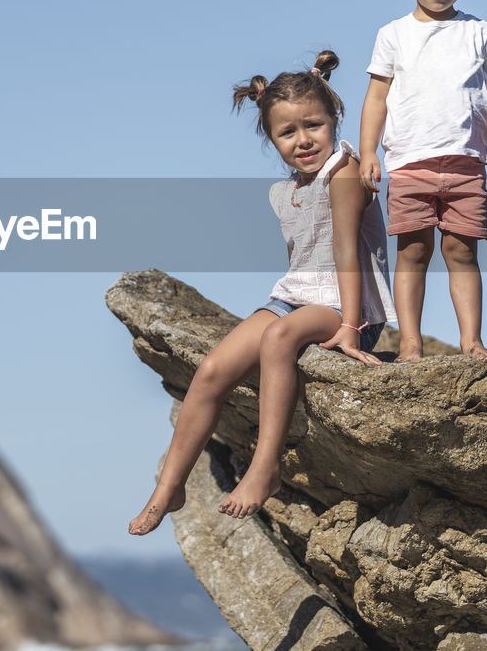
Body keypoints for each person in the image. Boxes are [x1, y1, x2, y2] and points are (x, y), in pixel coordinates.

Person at [128, 50, 397, 534]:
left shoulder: (344, 172)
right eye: (287, 133)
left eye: (313, 125)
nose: (303, 140)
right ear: (271, 139)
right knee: (211, 369)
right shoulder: (287, 190)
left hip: (345, 304)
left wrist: (352, 329)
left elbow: (345, 253)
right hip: (293, 297)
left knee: (277, 341)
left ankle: (265, 467)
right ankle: (169, 486)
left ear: (335, 117)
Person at [357, 0, 487, 365]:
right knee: (413, 251)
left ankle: (472, 341)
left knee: (460, 251)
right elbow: (376, 99)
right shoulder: (393, 36)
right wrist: (368, 150)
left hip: (467, 164)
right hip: (409, 163)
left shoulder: (481, 32)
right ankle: (410, 342)